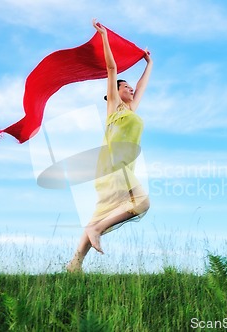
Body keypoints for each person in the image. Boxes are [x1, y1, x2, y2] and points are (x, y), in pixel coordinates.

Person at [66, 20, 153, 272]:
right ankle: (97, 230)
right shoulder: (114, 108)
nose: (131, 89)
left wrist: (149, 64)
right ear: (116, 92)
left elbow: (143, 86)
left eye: (131, 87)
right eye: (126, 87)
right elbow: (112, 67)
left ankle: (75, 264)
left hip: (120, 169)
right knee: (142, 204)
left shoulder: (131, 109)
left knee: (99, 213)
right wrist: (104, 36)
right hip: (114, 167)